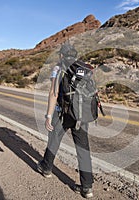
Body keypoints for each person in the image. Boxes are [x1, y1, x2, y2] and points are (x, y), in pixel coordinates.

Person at [37, 42, 94, 199]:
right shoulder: (82, 68)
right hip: (81, 115)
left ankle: (46, 168)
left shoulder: (58, 68)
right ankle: (87, 188)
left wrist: (48, 116)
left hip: (63, 114)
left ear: (61, 55)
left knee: (54, 140)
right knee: (83, 150)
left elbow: (53, 93)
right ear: (74, 55)